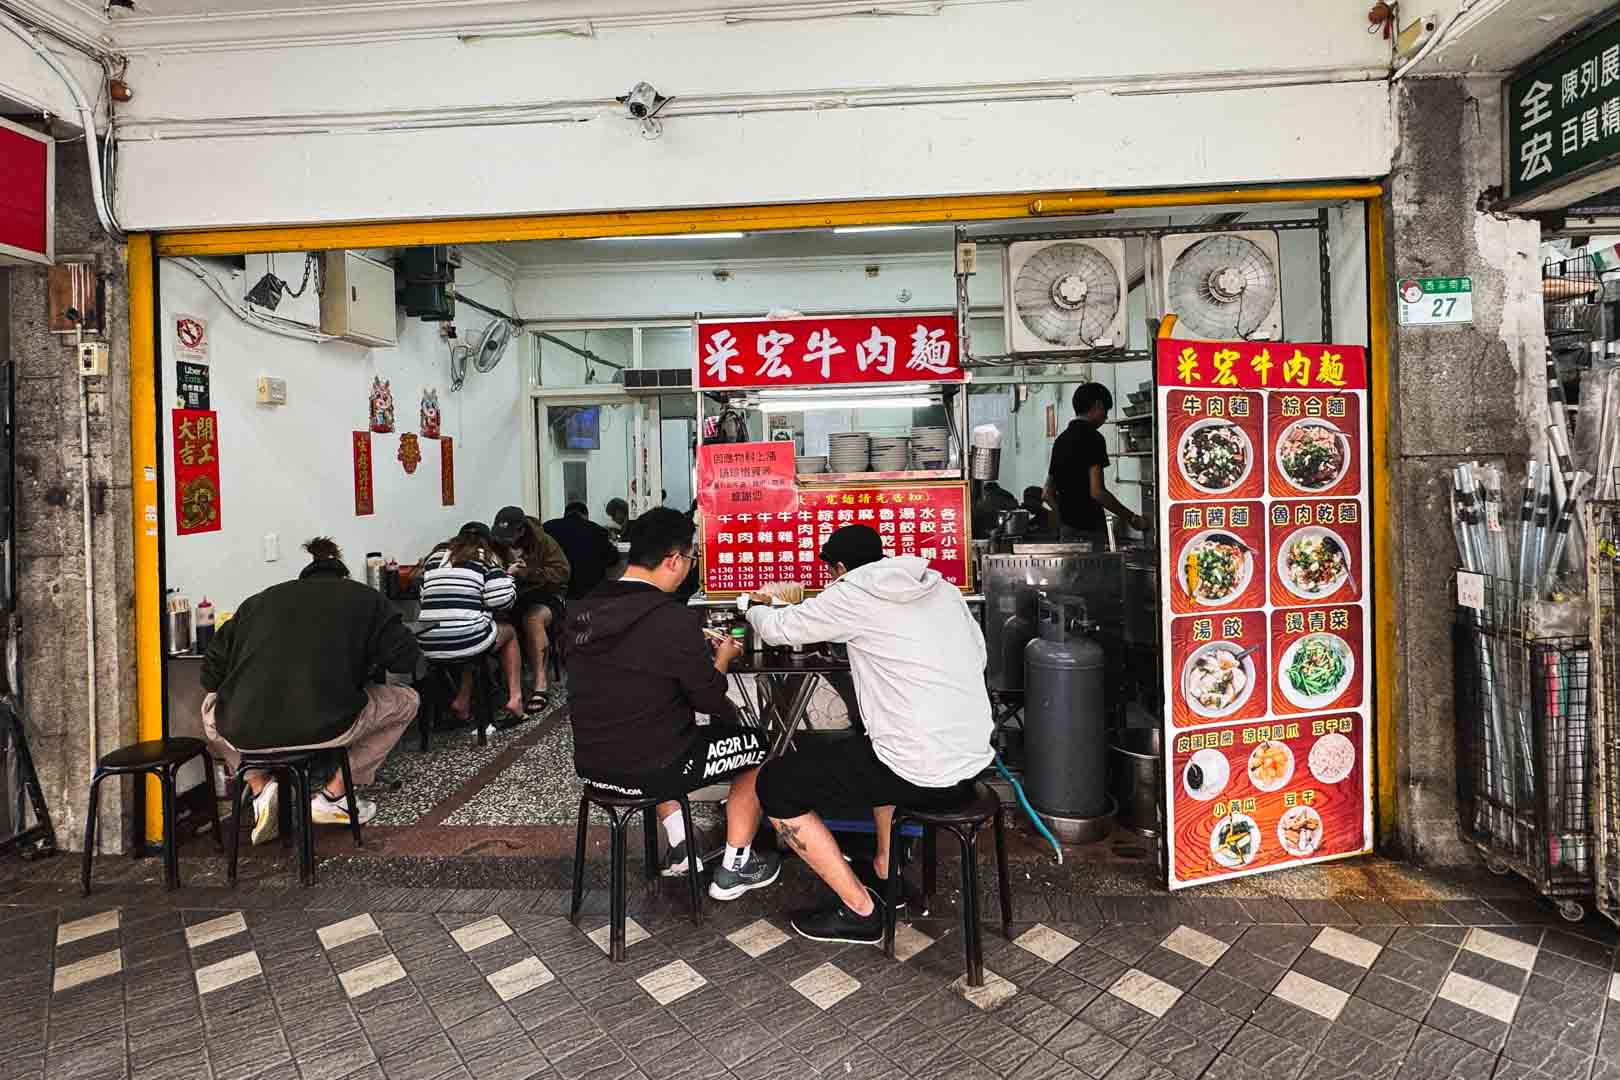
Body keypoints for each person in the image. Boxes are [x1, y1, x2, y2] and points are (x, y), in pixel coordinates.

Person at [745, 525, 993, 943]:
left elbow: (780, 629)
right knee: (873, 746)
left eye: (830, 573)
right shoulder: (941, 588)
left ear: (840, 568)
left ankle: (861, 912)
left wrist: (750, 605)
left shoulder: (853, 590)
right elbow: (979, 655)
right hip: (970, 763)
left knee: (775, 784)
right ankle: (886, 871)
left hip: (919, 772)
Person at [566, 507, 781, 898]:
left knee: (652, 732)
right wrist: (721, 659)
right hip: (653, 768)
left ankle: (683, 847)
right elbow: (709, 697)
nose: (690, 566)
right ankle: (737, 865)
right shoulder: (671, 618)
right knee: (760, 748)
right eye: (691, 557)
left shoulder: (584, 607)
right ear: (673, 560)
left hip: (594, 765)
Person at [200, 537, 422, 844]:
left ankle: (260, 786)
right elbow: (406, 658)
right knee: (407, 701)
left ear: (303, 576)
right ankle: (335, 795)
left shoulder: (259, 601)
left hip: (247, 729)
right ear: (344, 576)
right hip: (327, 723)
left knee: (212, 708)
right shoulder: (365, 598)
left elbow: (210, 675)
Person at [416, 523, 526, 721]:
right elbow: (502, 600)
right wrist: (509, 575)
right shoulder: (485, 557)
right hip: (467, 638)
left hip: (428, 642)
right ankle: (516, 698)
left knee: (472, 633)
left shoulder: (433, 558)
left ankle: (463, 700)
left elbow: (424, 598)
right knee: (507, 633)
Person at [1043, 382, 1147, 550]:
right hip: (1090, 531)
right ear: (1097, 405)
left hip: (1066, 534)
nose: (1106, 417)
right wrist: (1132, 518)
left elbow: (1047, 493)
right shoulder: (1094, 438)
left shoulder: (1060, 440)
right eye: (1105, 411)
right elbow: (1097, 492)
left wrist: (1067, 520)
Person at [491, 506, 572, 713]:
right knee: (497, 623)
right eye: (502, 536)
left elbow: (562, 574)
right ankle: (507, 689)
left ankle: (540, 685)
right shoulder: (497, 543)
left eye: (510, 536)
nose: (506, 541)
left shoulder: (544, 542)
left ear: (521, 530)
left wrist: (527, 573)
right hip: (511, 597)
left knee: (532, 619)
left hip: (547, 596)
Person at [542, 501, 621, 599]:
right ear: (585, 515)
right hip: (589, 593)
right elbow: (613, 558)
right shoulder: (598, 531)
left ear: (565, 514)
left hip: (557, 591)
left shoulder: (547, 527)